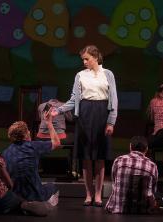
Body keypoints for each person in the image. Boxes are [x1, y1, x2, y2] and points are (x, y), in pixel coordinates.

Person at [51, 44, 118, 207]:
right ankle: (88, 194)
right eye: (83, 59)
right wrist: (58, 111)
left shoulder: (108, 74)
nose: (84, 62)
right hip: (85, 115)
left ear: (95, 57)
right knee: (86, 157)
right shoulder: (80, 75)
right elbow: (74, 100)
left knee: (100, 157)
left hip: (102, 113)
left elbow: (114, 99)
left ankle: (98, 195)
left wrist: (111, 121)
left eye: (87, 59)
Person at [2, 110, 61, 206]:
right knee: (53, 187)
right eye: (27, 130)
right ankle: (43, 204)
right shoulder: (33, 146)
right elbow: (56, 143)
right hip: (34, 195)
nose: (29, 132)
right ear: (25, 134)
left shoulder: (5, 152)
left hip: (15, 197)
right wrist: (49, 123)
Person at [105, 136, 158, 213]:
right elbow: (153, 191)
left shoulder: (118, 160)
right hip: (142, 211)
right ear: (146, 149)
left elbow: (114, 182)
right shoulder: (152, 165)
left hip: (119, 208)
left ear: (130, 147)